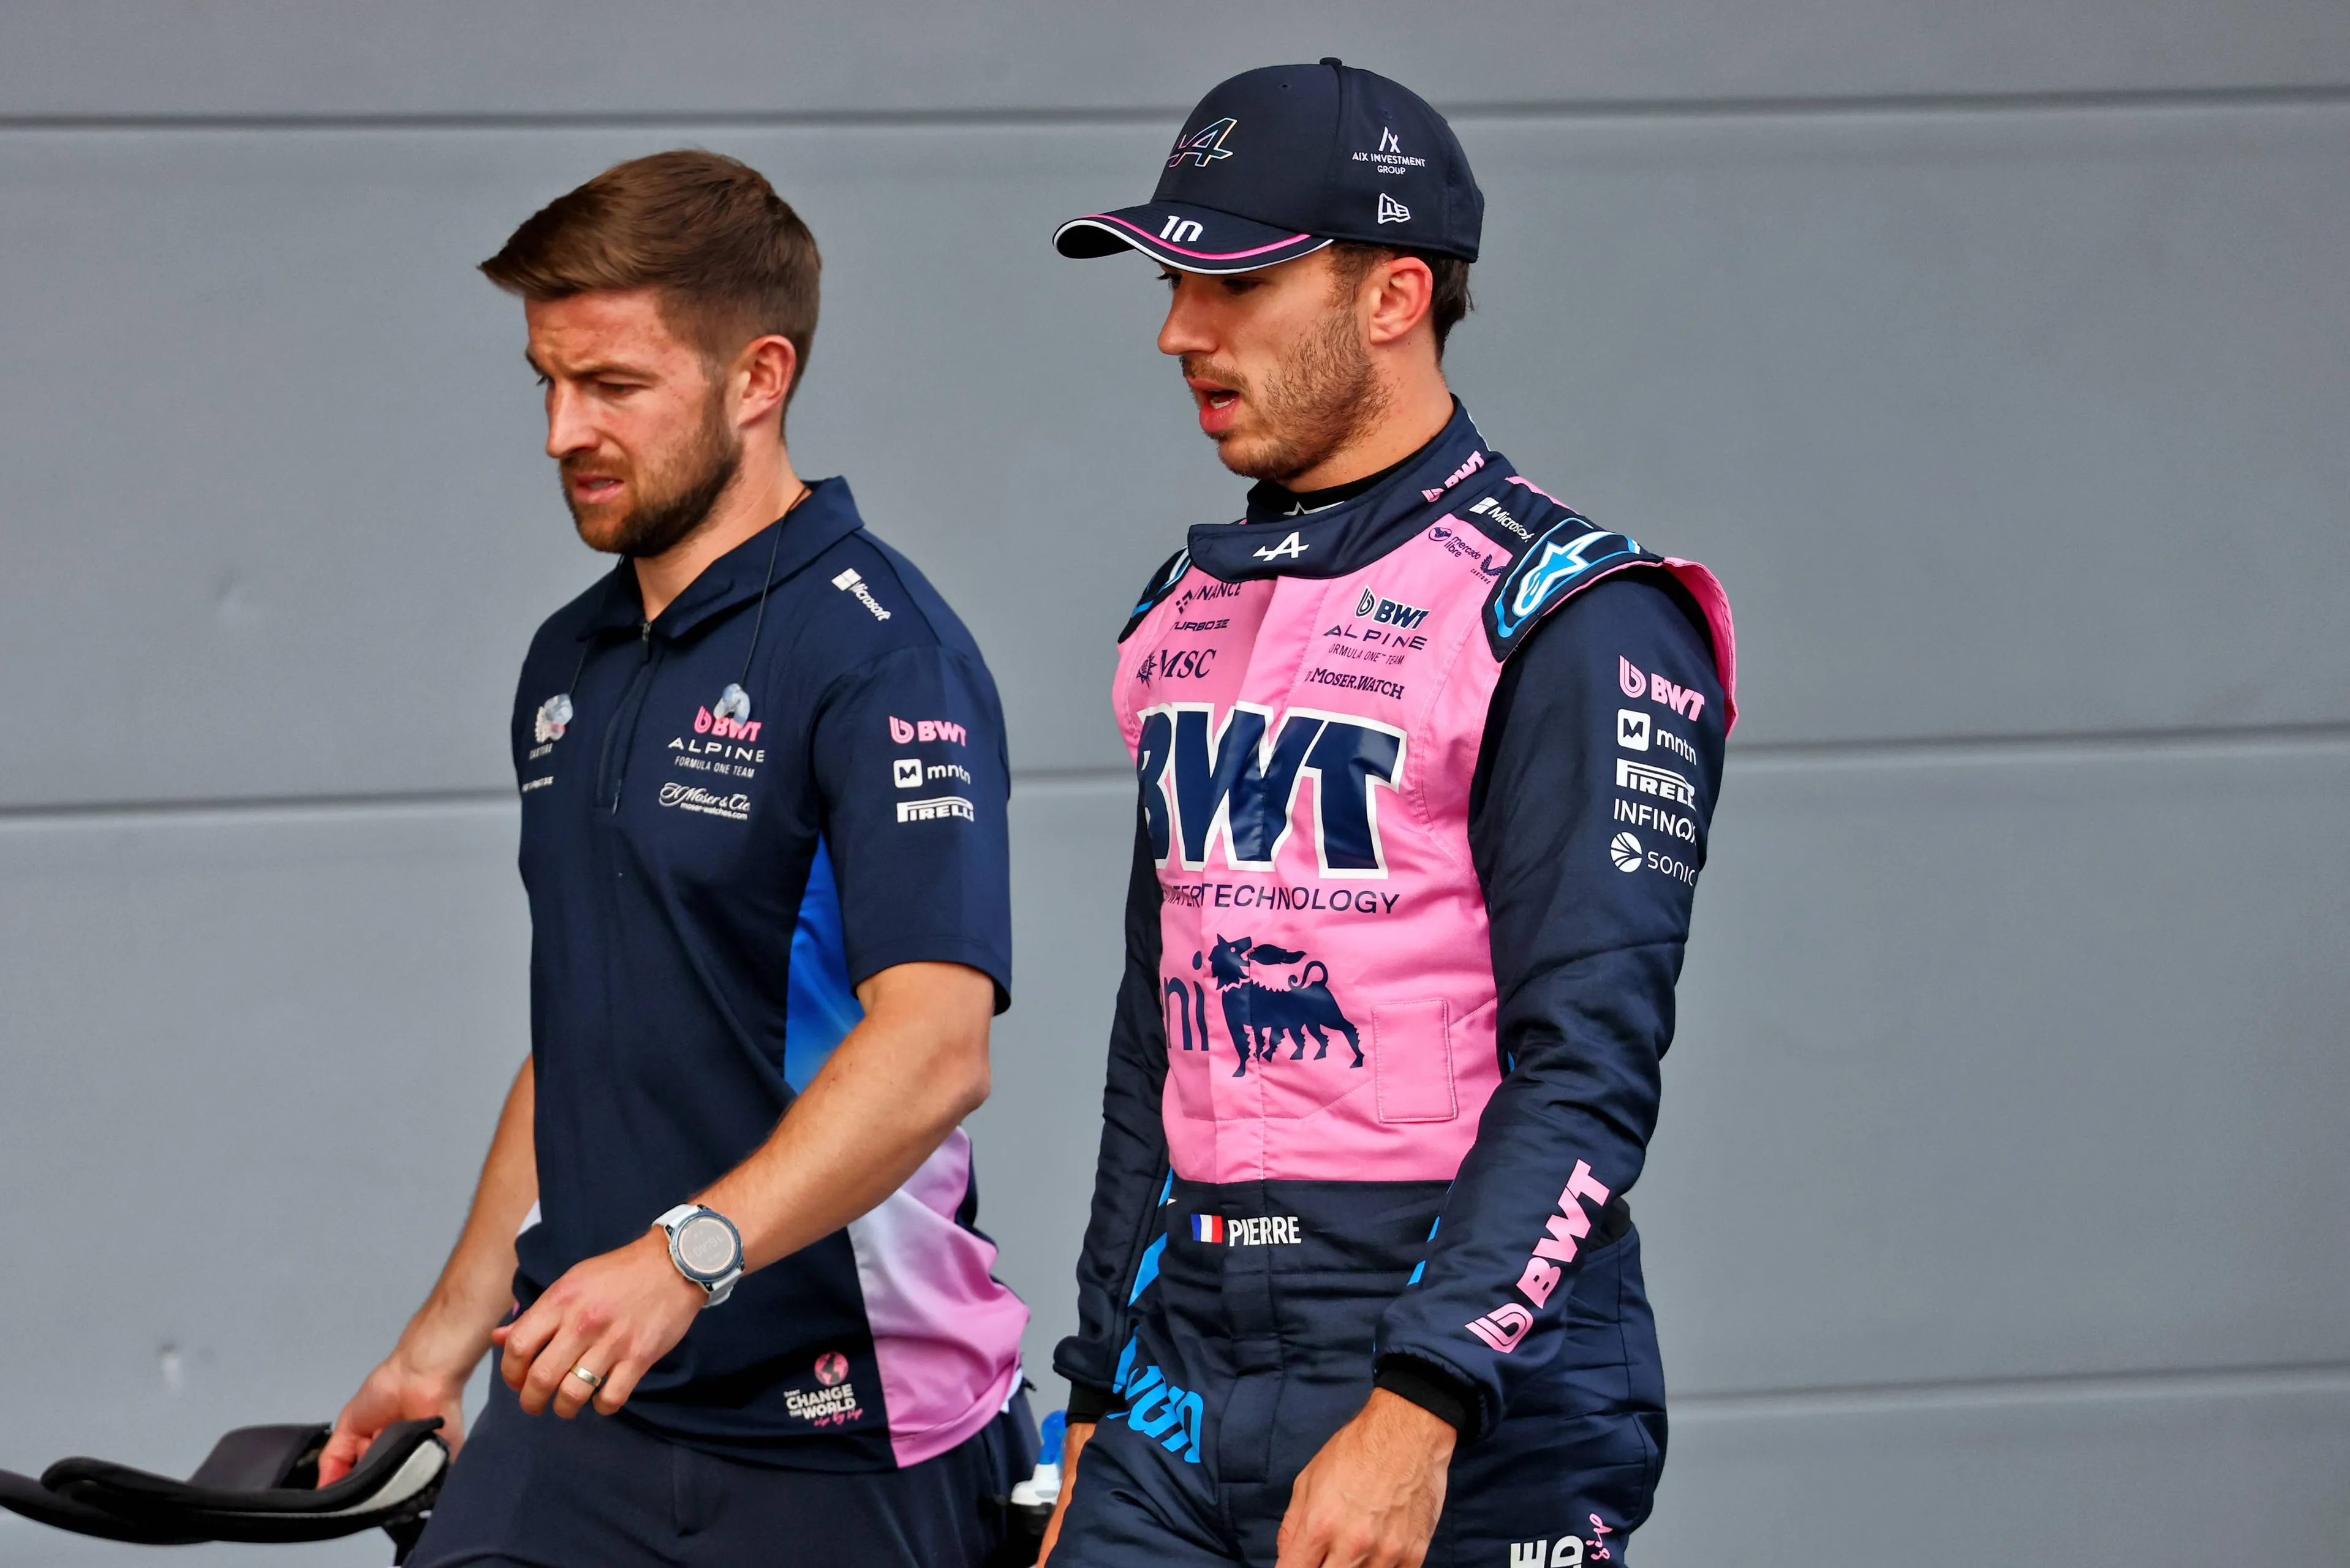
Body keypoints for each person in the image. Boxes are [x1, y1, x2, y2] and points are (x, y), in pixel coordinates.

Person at [1038, 62, 1739, 1568]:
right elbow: (1150, 1037)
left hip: (1460, 1361)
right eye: (1173, 280)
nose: (1179, 330)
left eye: (1234, 280)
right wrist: (1097, 1375)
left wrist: (1419, 1401)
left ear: (1393, 293)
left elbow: (1588, 1066)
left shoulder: (1572, 615)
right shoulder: (1187, 617)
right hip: (1185, 1361)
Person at [316, 149, 1035, 1568]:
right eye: (547, 379)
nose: (560, 429)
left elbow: (937, 1045)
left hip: (844, 1420)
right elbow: (591, 1029)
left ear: (756, 378)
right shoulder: (568, 659)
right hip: (584, 1389)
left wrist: (684, 1255)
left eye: (614, 387)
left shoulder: (886, 656)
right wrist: (439, 1343)